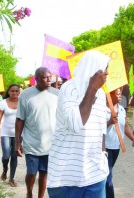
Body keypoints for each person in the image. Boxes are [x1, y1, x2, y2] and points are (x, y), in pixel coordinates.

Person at [47, 50, 110, 198]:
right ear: (94, 70)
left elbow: (101, 130)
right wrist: (92, 88)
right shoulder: (69, 88)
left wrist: (103, 157)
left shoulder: (101, 94)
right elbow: (76, 124)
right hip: (66, 177)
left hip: (95, 175)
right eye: (104, 69)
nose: (107, 73)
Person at [15, 67, 59, 198]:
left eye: (50, 77)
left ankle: (40, 196)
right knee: (32, 173)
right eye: (45, 77)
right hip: (32, 143)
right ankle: (29, 192)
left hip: (50, 144)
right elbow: (20, 119)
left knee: (44, 172)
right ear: (37, 79)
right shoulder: (26, 94)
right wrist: (18, 142)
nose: (49, 80)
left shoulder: (57, 94)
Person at [105, 88, 134, 198]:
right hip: (104, 148)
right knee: (108, 177)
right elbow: (97, 128)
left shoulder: (121, 109)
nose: (120, 96)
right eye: (118, 94)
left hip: (116, 147)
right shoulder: (103, 109)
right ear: (110, 95)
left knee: (106, 176)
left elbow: (125, 126)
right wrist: (110, 122)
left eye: (120, 94)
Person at [0, 84, 20, 187]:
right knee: (6, 156)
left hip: (18, 134)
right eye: (12, 91)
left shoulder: (22, 103)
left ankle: (11, 178)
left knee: (14, 156)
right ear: (8, 92)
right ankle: (5, 169)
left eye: (16, 91)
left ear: (19, 92)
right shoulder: (3, 103)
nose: (14, 93)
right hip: (5, 133)